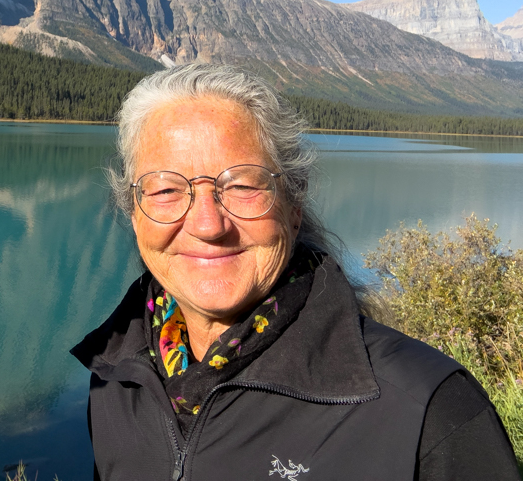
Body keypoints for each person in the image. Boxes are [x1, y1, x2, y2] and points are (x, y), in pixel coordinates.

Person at [71, 63, 519, 481]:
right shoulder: (116, 381)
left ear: (294, 207)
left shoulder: (429, 409)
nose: (208, 225)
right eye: (167, 189)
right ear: (134, 213)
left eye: (243, 185)